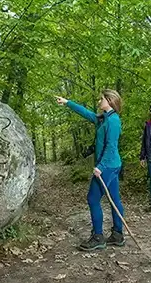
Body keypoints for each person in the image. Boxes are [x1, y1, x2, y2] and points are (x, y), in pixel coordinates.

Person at [55, 89, 124, 251]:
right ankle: (117, 235)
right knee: (114, 199)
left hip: (108, 166)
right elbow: (86, 113)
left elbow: (111, 147)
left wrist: (100, 167)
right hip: (113, 165)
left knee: (93, 199)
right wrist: (67, 102)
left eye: (101, 99)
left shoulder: (113, 121)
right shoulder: (103, 119)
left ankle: (98, 237)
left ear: (110, 100)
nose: (99, 101)